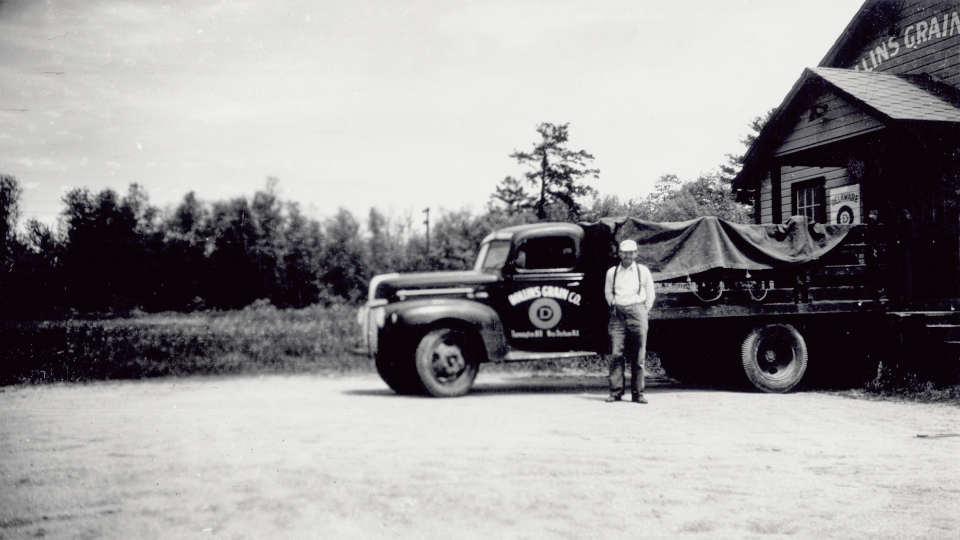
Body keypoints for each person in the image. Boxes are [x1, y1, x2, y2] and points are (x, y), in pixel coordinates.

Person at [604, 239, 656, 404]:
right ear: (619, 254)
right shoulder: (612, 272)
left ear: (636, 254)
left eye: (631, 252)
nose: (628, 256)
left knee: (638, 355)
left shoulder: (643, 271)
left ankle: (638, 394)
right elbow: (608, 292)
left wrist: (642, 311)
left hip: (637, 312)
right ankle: (615, 392)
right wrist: (615, 305)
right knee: (616, 354)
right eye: (625, 253)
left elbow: (650, 294)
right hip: (617, 314)